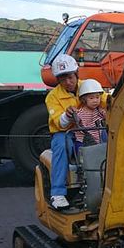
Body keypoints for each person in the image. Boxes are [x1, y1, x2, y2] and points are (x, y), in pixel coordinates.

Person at [75, 79, 124, 202]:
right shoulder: (79, 113)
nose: (95, 100)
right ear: (83, 100)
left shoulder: (100, 111)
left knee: (123, 155)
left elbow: (111, 117)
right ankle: (86, 188)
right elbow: (78, 131)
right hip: (88, 146)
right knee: (90, 167)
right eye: (91, 98)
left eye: (97, 97)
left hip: (101, 144)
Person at [45, 54, 82, 210]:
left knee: (115, 139)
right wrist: (67, 115)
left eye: (70, 77)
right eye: (63, 79)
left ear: (76, 74)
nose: (68, 82)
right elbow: (59, 123)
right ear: (58, 80)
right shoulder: (52, 97)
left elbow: (103, 100)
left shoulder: (88, 87)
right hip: (64, 132)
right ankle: (58, 193)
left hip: (88, 130)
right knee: (60, 145)